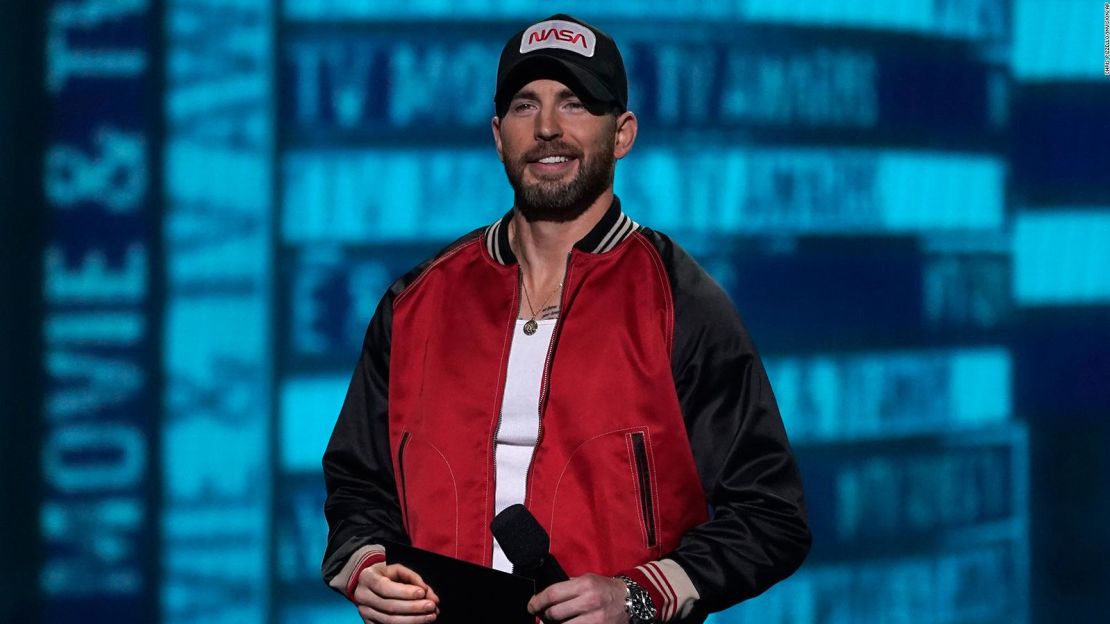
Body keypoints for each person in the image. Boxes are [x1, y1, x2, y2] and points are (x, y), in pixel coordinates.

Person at [321, 14, 810, 624]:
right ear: (499, 135)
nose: (548, 128)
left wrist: (639, 594)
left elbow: (771, 516)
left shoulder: (681, 302)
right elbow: (358, 484)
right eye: (526, 106)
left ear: (622, 132)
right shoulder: (416, 301)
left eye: (575, 103)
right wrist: (367, 568)